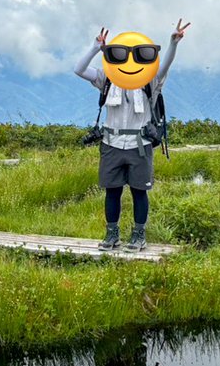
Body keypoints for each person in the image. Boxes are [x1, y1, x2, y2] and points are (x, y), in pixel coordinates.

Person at [74, 19, 190, 251]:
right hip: (111, 143)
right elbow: (79, 69)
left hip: (140, 144)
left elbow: (164, 66)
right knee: (112, 191)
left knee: (139, 191)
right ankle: (112, 235)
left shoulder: (150, 81)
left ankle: (139, 236)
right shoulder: (107, 80)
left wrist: (173, 43)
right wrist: (96, 47)